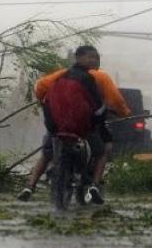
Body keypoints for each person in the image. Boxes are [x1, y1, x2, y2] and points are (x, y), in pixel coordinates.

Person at [17, 45, 131, 204]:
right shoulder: (100, 76)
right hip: (84, 127)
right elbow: (114, 101)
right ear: (79, 58)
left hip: (58, 126)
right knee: (103, 150)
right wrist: (124, 112)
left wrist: (47, 101)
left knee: (47, 152)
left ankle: (30, 185)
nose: (94, 60)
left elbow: (40, 87)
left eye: (96, 58)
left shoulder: (62, 74)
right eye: (91, 57)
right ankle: (94, 186)